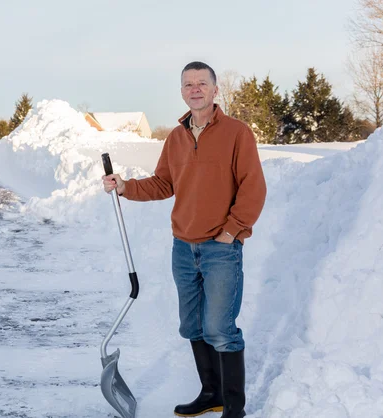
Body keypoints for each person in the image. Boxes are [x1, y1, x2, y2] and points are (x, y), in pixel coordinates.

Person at [102, 61, 266, 418]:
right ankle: (211, 394)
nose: (195, 89)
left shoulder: (237, 133)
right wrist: (126, 187)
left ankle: (234, 409)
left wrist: (231, 232)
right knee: (192, 326)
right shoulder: (176, 137)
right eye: (188, 84)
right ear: (181, 91)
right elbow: (164, 183)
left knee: (220, 329)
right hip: (183, 247)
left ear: (214, 90)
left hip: (220, 248)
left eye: (202, 83)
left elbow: (254, 187)